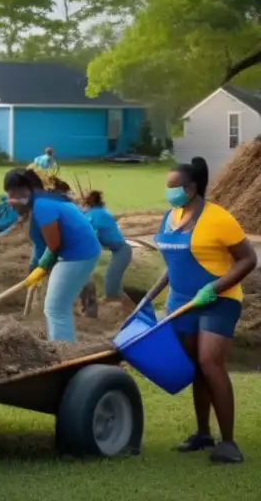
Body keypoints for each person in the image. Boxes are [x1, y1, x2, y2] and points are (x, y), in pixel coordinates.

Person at [138, 157, 256, 464]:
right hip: (181, 302)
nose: (170, 193)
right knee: (196, 367)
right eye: (167, 187)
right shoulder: (170, 216)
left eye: (175, 187)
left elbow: (248, 259)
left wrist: (214, 289)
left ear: (191, 189)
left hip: (219, 300)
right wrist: (150, 296)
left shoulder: (218, 217)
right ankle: (203, 434)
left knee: (210, 362)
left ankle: (229, 443)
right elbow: (173, 264)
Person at [3, 167, 100, 343]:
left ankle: (64, 351)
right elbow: (42, 243)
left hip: (78, 255)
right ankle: (58, 344)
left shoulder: (43, 206)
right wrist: (34, 266)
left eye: (14, 194)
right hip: (77, 252)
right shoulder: (45, 200)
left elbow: (54, 245)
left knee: (56, 308)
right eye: (9, 195)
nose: (11, 201)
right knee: (56, 308)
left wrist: (43, 267)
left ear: (27, 190)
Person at [81, 190, 133, 309]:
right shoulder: (101, 212)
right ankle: (122, 305)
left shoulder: (94, 215)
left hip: (122, 251)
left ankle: (113, 304)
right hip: (122, 250)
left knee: (111, 278)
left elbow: (91, 233)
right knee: (113, 279)